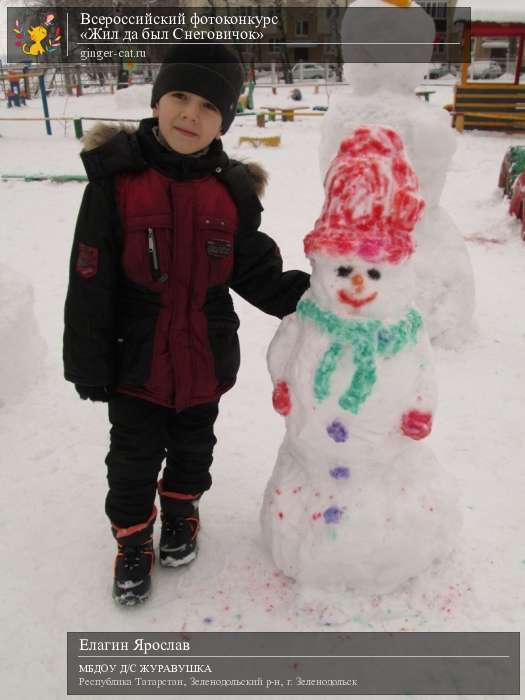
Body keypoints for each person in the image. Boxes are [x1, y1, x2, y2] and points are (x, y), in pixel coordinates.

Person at [63, 45, 309, 606]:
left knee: (195, 448)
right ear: (157, 100)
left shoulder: (232, 191)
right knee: (131, 459)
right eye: (178, 97)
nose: (189, 115)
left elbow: (256, 271)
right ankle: (131, 541)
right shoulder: (116, 180)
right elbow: (89, 277)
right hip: (136, 359)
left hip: (205, 355)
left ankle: (181, 513)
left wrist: (319, 299)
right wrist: (87, 361)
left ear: (225, 118)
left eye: (207, 105)